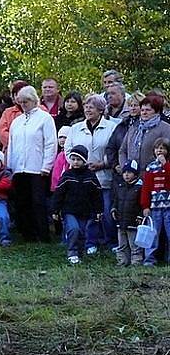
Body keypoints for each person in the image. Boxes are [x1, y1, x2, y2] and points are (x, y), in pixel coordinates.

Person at [65, 94, 118, 253]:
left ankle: (111, 241)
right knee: (88, 213)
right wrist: (77, 164)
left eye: (92, 106)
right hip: (82, 178)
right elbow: (67, 149)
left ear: (101, 110)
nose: (87, 109)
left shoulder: (112, 127)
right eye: (86, 106)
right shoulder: (75, 128)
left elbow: (115, 150)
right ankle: (90, 242)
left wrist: (102, 164)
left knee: (107, 212)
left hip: (105, 176)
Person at [7, 86, 57, 243]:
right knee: (21, 203)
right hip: (18, 169)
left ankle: (43, 235)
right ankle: (27, 235)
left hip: (37, 169)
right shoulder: (17, 121)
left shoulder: (45, 118)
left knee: (38, 203)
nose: (23, 105)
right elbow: (12, 145)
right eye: (21, 102)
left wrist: (46, 166)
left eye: (26, 101)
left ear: (34, 100)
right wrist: (10, 167)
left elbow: (50, 143)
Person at [51, 145, 103, 265]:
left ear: (84, 161)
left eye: (78, 159)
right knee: (73, 229)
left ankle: (79, 252)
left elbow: (97, 195)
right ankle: (72, 252)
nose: (75, 162)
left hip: (85, 211)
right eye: (73, 159)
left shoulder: (90, 176)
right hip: (69, 210)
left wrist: (99, 210)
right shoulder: (67, 175)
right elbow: (59, 193)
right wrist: (55, 210)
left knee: (81, 232)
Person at [119, 96, 170, 175]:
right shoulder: (134, 128)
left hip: (154, 176)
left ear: (156, 111)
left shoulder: (165, 128)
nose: (144, 112)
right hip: (131, 178)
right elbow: (122, 151)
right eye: (142, 110)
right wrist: (125, 169)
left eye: (148, 110)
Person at [140, 138, 170, 266]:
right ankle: (149, 259)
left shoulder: (168, 165)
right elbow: (146, 188)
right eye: (157, 148)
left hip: (168, 206)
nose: (160, 150)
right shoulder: (151, 167)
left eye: (163, 148)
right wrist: (145, 205)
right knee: (153, 234)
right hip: (154, 207)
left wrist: (165, 165)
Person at [111, 160, 144, 266]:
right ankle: (122, 261)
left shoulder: (139, 187)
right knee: (122, 244)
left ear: (135, 174)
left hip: (133, 221)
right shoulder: (120, 186)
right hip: (121, 220)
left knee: (134, 244)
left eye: (129, 172)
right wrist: (114, 209)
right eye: (125, 172)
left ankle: (136, 261)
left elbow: (141, 203)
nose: (126, 175)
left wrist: (140, 215)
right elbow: (116, 200)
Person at [51, 127, 71, 193]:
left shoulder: (69, 155)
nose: (62, 140)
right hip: (56, 188)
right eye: (60, 137)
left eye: (65, 137)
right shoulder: (59, 154)